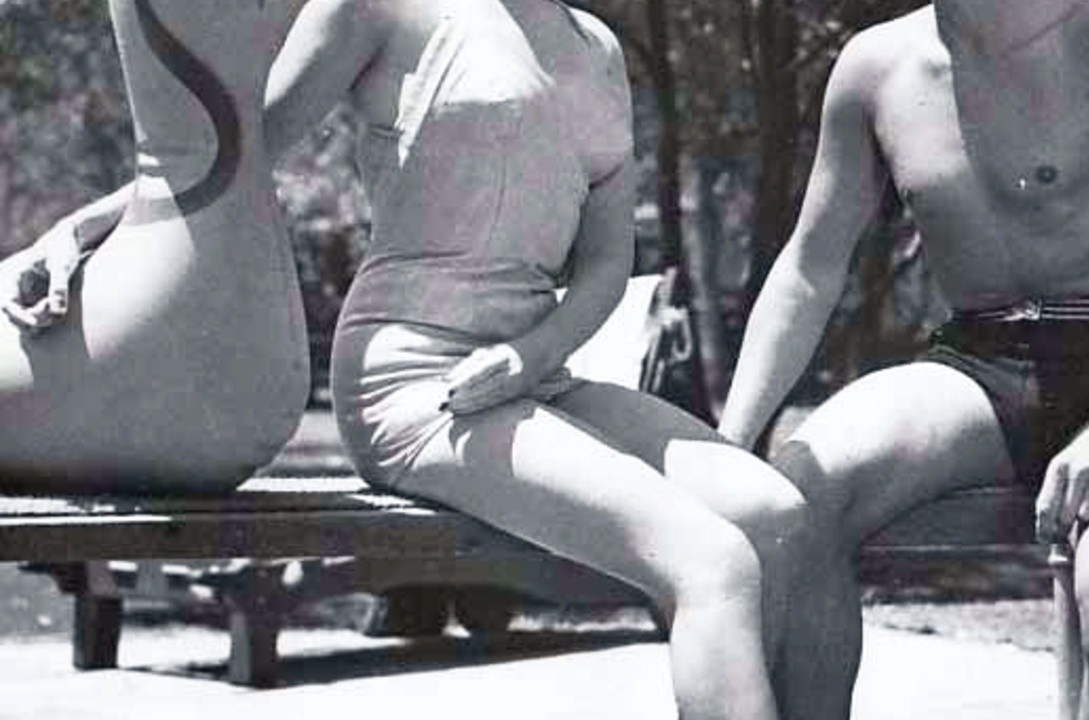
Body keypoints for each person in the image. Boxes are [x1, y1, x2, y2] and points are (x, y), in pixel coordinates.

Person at [18, 1, 807, 718]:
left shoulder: (596, 47)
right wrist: (80, 231)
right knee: (713, 565)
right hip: (416, 379)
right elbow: (231, 161)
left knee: (777, 517)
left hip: (536, 372)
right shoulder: (381, 7)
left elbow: (605, 264)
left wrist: (530, 357)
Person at [718, 1, 1089, 719]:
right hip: (979, 364)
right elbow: (809, 269)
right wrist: (729, 445)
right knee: (793, 500)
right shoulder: (875, 65)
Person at [0, 0, 312, 491]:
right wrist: (75, 230)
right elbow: (245, 142)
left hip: (167, 321)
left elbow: (219, 148)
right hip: (237, 332)